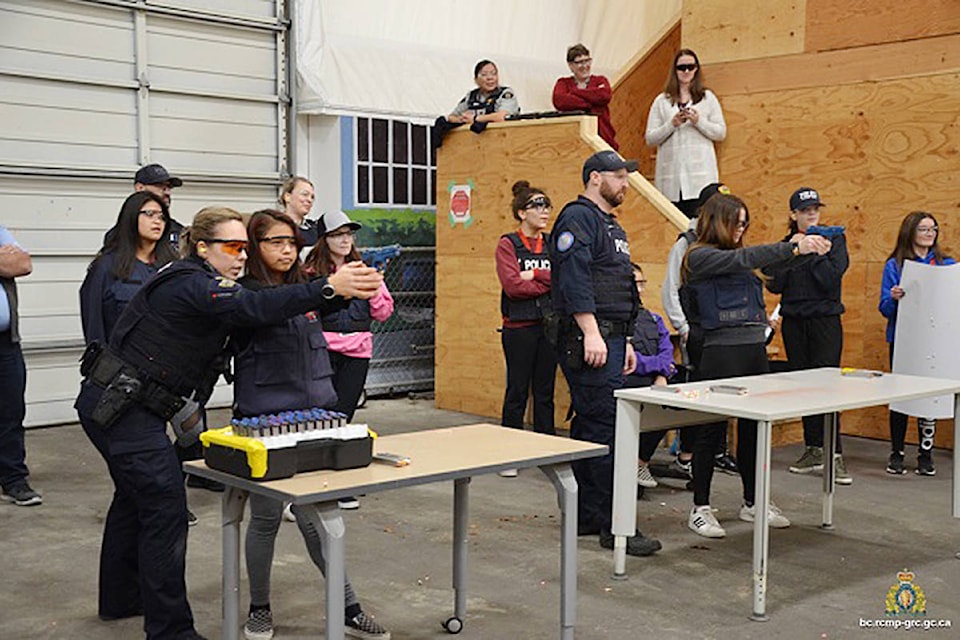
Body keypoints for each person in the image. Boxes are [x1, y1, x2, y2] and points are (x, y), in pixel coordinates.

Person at [74, 206, 382, 639]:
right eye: (233, 247)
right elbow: (255, 306)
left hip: (124, 405)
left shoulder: (204, 283)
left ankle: (121, 598)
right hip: (124, 408)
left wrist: (338, 293)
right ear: (203, 247)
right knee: (166, 511)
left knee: (133, 500)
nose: (241, 256)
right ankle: (171, 632)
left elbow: (271, 311)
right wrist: (329, 286)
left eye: (244, 248)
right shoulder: (192, 283)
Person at [235, 210, 389, 640]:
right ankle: (259, 608)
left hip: (316, 418)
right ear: (254, 247)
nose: (286, 250)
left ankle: (348, 606)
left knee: (321, 519)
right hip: (264, 423)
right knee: (264, 519)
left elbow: (325, 303)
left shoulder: (305, 288)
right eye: (275, 242)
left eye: (291, 242)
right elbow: (270, 307)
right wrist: (323, 289)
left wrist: (358, 286)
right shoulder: (244, 293)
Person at [680, 193, 831, 538]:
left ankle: (753, 501)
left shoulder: (738, 259)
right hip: (720, 353)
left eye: (745, 223)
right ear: (718, 221)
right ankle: (700, 507)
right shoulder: (699, 256)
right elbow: (751, 257)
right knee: (710, 432)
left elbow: (768, 267)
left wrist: (801, 250)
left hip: (752, 351)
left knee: (753, 432)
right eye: (737, 222)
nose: (741, 229)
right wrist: (794, 248)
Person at [549, 149, 661, 557]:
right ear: (595, 178)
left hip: (611, 338)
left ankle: (588, 515)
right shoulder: (577, 218)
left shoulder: (610, 226)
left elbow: (619, 288)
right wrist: (592, 333)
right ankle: (617, 526)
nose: (625, 185)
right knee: (608, 428)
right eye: (618, 177)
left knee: (593, 427)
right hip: (589, 338)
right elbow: (575, 280)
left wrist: (626, 340)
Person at [304, 210, 394, 509]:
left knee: (343, 415)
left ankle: (338, 481)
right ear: (324, 239)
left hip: (358, 350)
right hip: (322, 349)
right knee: (319, 414)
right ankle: (313, 478)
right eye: (337, 234)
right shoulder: (310, 272)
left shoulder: (365, 268)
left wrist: (374, 289)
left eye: (348, 234)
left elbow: (383, 313)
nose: (344, 240)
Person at [764, 188, 851, 484]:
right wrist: (794, 249)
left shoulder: (835, 240)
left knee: (828, 385)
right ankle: (813, 448)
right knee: (802, 385)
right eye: (805, 210)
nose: (812, 214)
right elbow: (774, 284)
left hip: (825, 319)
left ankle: (834, 454)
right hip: (795, 322)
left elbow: (829, 280)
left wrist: (813, 251)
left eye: (815, 208)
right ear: (794, 215)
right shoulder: (787, 244)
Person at [661, 182, 738, 477]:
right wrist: (684, 328)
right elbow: (671, 288)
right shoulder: (686, 243)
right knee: (698, 397)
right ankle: (687, 455)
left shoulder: (726, 239)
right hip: (699, 331)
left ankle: (717, 452)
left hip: (723, 333)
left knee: (722, 396)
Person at [879, 211, 955, 476]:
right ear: (910, 232)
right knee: (900, 398)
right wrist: (894, 297)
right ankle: (897, 452)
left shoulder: (946, 263)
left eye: (933, 229)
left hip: (934, 341)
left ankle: (926, 453)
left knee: (930, 398)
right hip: (903, 340)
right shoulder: (895, 266)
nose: (929, 234)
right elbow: (884, 308)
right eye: (924, 229)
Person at [495, 181, 557, 477]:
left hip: (549, 326)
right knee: (517, 391)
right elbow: (513, 286)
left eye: (547, 205)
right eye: (537, 205)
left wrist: (533, 272)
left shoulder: (553, 242)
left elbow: (560, 278)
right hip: (518, 328)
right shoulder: (508, 243)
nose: (544, 211)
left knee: (545, 392)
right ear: (522, 212)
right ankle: (510, 454)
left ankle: (544, 451)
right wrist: (543, 283)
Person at [645, 49, 726, 219]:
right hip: (671, 182)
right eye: (682, 67)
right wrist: (671, 124)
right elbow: (650, 138)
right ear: (675, 70)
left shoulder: (707, 98)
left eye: (691, 67)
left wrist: (698, 122)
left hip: (700, 180)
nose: (686, 71)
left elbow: (720, 132)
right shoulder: (662, 101)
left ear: (696, 69)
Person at [623, 263, 675, 490]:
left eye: (641, 283)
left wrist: (662, 374)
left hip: (654, 382)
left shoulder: (654, 319)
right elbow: (627, 361)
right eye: (634, 283)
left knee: (673, 403)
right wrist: (656, 370)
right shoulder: (616, 322)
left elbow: (667, 354)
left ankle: (640, 461)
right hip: (628, 383)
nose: (639, 289)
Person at [0, 224, 41, 507]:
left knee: (11, 411)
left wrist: (10, 261)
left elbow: (23, 264)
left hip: (5, 342)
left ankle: (13, 478)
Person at [552, 43, 618, 150]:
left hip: (604, 140)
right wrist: (591, 102)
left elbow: (604, 95)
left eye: (587, 61)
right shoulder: (563, 82)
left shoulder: (600, 80)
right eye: (579, 62)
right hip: (573, 142)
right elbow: (559, 100)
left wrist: (574, 92)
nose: (584, 66)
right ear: (570, 65)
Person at [105, 164, 185, 247]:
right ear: (140, 188)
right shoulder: (119, 235)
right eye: (159, 186)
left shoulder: (179, 232)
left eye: (169, 187)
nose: (167, 192)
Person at [447, 60, 520, 128]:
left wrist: (475, 118)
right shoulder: (471, 96)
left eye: (493, 73)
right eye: (484, 74)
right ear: (476, 80)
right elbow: (451, 117)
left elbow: (500, 117)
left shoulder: (506, 93)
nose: (490, 78)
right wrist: (463, 119)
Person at [279, 176, 320, 246]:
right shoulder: (274, 227)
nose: (309, 200)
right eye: (305, 194)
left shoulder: (317, 230)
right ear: (287, 197)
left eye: (312, 197)